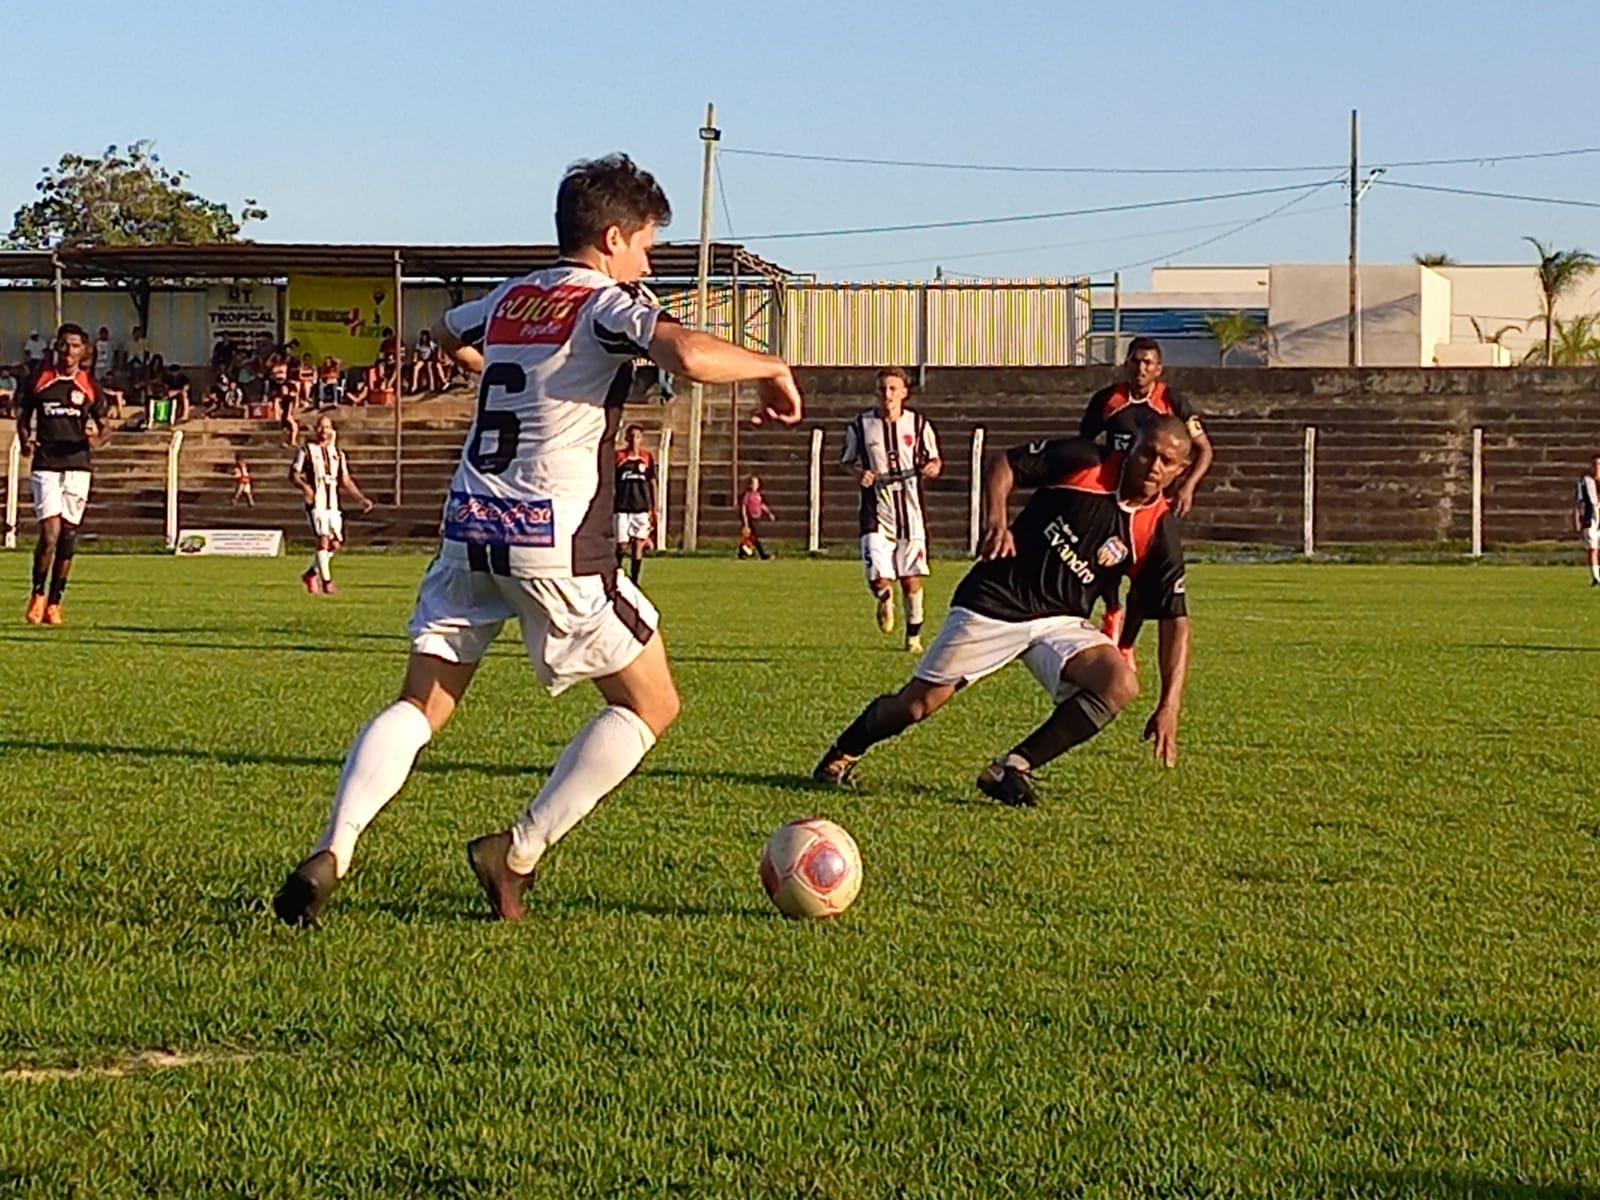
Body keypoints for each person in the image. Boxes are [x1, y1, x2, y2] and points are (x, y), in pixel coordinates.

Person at [272, 153, 804, 928]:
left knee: (420, 703)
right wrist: (772, 365)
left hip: (469, 526)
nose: (647, 261)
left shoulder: (513, 295)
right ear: (614, 238)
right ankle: (516, 851)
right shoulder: (603, 303)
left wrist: (509, 371)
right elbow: (685, 353)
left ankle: (336, 845)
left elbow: (448, 333)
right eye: (647, 245)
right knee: (651, 704)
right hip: (552, 539)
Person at [814, 415, 1194, 805]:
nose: (1154, 465)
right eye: (1148, 452)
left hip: (1059, 620)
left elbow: (1176, 621)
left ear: (1180, 470)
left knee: (1120, 683)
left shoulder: (1157, 531)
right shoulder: (1087, 460)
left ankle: (1010, 768)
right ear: (1133, 445)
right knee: (915, 705)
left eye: (1167, 461)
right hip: (996, 598)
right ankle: (842, 753)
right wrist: (997, 521)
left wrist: (1170, 705)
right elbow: (1004, 464)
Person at [1080, 337, 1213, 664]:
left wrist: (1187, 487)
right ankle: (1111, 612)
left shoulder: (1172, 402)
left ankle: (1125, 644)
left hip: (1152, 505)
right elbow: (1082, 445)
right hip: (1113, 498)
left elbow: (1204, 449)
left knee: (1146, 575)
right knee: (1102, 563)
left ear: (1159, 368)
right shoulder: (1108, 400)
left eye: (1148, 363)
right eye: (1136, 361)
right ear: (1126, 363)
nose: (1141, 368)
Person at [840, 366, 942, 652]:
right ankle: (885, 598)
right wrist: (859, 473)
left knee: (911, 581)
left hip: (910, 513)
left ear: (904, 393)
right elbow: (846, 462)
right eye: (883, 388)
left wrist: (932, 468)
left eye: (893, 389)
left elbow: (934, 460)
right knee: (878, 578)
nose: (887, 394)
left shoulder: (919, 425)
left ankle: (913, 637)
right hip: (876, 511)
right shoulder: (861, 426)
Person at [16, 324, 108, 626]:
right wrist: (26, 439)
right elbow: (23, 418)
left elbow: (104, 426)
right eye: (64, 346)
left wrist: (97, 437)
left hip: (78, 465)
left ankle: (55, 602)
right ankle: (37, 593)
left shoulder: (89, 386)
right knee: (49, 534)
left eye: (75, 346)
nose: (69, 352)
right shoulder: (39, 380)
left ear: (84, 351)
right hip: (46, 463)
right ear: (56, 348)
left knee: (68, 537)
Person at [290, 415, 374, 595]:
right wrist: (305, 488)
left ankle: (311, 573)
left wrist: (361, 498)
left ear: (332, 430)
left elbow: (345, 479)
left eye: (327, 427)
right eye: (320, 427)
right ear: (315, 430)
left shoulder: (338, 454)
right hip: (317, 503)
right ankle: (327, 582)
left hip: (332, 504)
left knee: (335, 544)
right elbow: (294, 474)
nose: (323, 431)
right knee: (323, 540)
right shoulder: (306, 450)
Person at [613, 424, 657, 584]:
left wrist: (654, 507)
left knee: (638, 545)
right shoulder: (618, 457)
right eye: (630, 436)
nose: (633, 440)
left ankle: (635, 581)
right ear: (626, 438)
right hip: (622, 507)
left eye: (637, 437)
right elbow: (611, 481)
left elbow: (652, 482)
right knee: (621, 545)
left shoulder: (646, 458)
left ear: (641, 439)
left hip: (641, 507)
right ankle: (615, 575)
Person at [1573, 455, 1600, 586]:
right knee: (1593, 548)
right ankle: (1596, 576)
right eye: (1595, 465)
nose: (1597, 468)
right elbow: (1578, 502)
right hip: (1590, 519)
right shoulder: (1585, 482)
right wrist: (1577, 518)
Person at [738, 475, 774, 560]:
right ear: (750, 485)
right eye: (754, 483)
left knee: (749, 537)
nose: (755, 485)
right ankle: (763, 555)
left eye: (756, 483)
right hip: (750, 519)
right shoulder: (748, 494)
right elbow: (743, 507)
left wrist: (769, 513)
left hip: (757, 519)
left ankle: (741, 553)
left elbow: (761, 505)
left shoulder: (757, 495)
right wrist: (745, 522)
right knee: (754, 538)